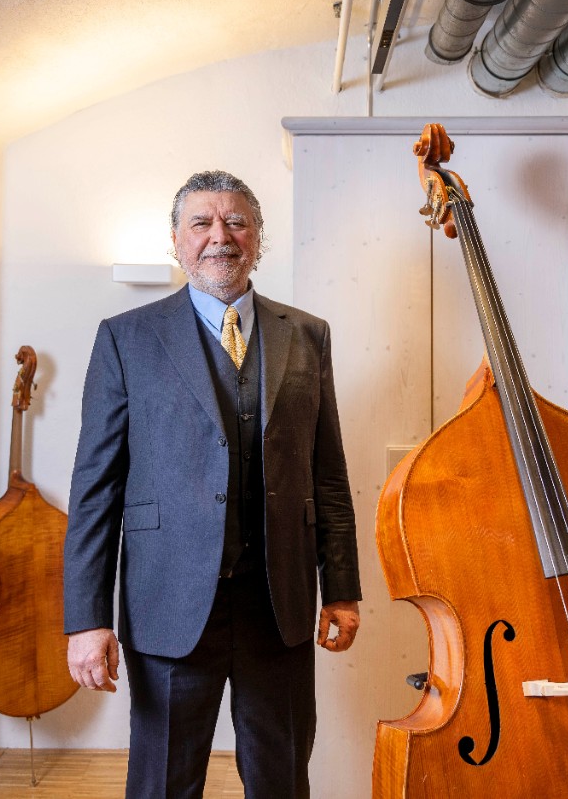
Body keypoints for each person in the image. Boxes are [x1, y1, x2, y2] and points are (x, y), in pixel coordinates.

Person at [64, 170, 361, 798]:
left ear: (258, 237)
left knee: (282, 778)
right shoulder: (125, 337)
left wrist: (341, 588)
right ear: (177, 241)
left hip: (277, 601)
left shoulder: (308, 335)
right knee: (163, 784)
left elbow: (327, 475)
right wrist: (86, 619)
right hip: (166, 604)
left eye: (236, 222)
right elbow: (94, 491)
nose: (219, 237)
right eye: (201, 223)